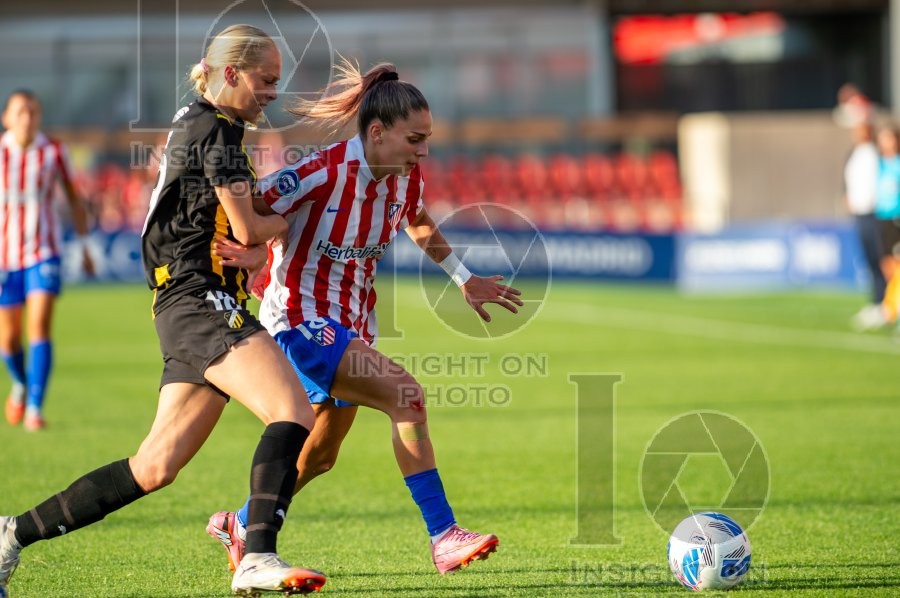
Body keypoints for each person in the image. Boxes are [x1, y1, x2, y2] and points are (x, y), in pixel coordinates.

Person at [1, 24, 327, 597]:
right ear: (231, 73)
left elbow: (235, 229)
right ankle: (256, 554)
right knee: (293, 410)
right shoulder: (216, 128)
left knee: (153, 467)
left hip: (184, 301)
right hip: (200, 298)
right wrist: (289, 221)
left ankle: (10, 534)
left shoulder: (200, 121)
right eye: (266, 79)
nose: (273, 92)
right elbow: (249, 226)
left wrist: (255, 244)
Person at [206, 60, 523, 576]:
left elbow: (419, 221)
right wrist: (254, 251)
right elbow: (247, 208)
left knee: (319, 456)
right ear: (377, 133)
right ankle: (444, 535)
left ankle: (239, 524)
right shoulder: (321, 172)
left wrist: (464, 278)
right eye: (415, 139)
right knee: (406, 395)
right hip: (299, 320)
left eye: (427, 140)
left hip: (351, 325)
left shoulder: (406, 178)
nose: (423, 151)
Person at [1, 89, 95, 431]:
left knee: (39, 325)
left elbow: (74, 199)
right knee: (9, 339)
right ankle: (20, 384)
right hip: (5, 257)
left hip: (44, 251)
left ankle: (35, 409)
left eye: (33, 112)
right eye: (21, 112)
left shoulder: (53, 151)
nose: (27, 118)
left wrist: (85, 246)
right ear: (7, 118)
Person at [845, 120, 887, 331]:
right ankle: (876, 302)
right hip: (860, 214)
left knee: (882, 260)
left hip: (875, 214)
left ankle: (886, 304)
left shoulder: (875, 154)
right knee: (870, 259)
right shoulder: (854, 153)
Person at [874, 124, 900, 327]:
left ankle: (892, 308)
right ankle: (891, 305)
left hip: (896, 218)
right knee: (887, 264)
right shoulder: (878, 164)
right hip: (882, 217)